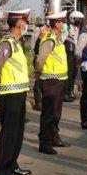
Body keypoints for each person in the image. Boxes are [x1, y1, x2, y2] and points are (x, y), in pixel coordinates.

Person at [0, 9, 33, 175]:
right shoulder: (6, 44)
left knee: (17, 133)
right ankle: (2, 172)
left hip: (19, 93)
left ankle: (12, 164)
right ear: (17, 23)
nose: (25, 25)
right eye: (24, 21)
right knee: (8, 134)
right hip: (8, 95)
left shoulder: (17, 43)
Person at [34, 11, 70, 155]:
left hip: (59, 80)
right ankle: (45, 142)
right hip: (50, 81)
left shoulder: (57, 39)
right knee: (49, 113)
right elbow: (39, 60)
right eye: (61, 22)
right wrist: (37, 73)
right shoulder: (50, 39)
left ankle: (54, 136)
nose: (63, 24)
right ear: (56, 23)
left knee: (56, 112)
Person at [64, 11, 84, 101]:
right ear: (72, 18)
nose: (79, 21)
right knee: (68, 74)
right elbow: (62, 39)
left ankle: (70, 92)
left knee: (73, 74)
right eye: (77, 19)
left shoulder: (79, 28)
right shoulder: (66, 27)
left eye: (80, 19)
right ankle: (65, 93)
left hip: (75, 54)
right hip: (68, 53)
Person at [32, 18, 50, 111]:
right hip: (39, 57)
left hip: (48, 60)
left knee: (45, 81)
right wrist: (36, 56)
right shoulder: (39, 29)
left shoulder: (52, 31)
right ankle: (38, 102)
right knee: (38, 81)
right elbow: (34, 44)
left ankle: (44, 101)